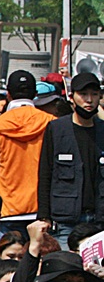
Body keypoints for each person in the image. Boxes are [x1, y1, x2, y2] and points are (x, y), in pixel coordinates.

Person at [36, 72, 104, 248]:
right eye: (83, 94)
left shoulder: (103, 130)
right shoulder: (57, 129)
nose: (89, 100)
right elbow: (45, 173)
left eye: (94, 94)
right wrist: (44, 216)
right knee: (66, 268)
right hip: (65, 220)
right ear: (72, 97)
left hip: (99, 219)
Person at [0, 70, 54, 227]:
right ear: (35, 94)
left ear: (8, 94)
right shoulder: (51, 124)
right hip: (42, 211)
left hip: (7, 210)